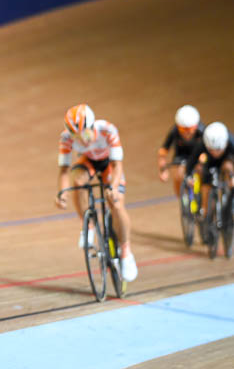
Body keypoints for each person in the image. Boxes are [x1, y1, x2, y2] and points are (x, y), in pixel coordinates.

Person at [54, 104, 138, 282]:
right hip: (88, 162)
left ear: (92, 126)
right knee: (77, 181)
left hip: (109, 164)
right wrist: (62, 192)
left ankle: (126, 252)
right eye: (77, 137)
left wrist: (113, 187)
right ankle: (88, 226)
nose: (82, 140)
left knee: (116, 203)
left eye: (84, 134)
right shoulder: (66, 138)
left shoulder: (108, 130)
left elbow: (117, 165)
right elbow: (64, 170)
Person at [185, 121, 234, 221]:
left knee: (228, 167)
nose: (215, 153)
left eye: (218, 150)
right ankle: (206, 211)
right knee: (205, 181)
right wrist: (189, 177)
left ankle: (229, 196)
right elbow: (191, 163)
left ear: (224, 144)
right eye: (212, 150)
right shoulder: (202, 144)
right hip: (209, 162)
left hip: (226, 159)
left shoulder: (231, 141)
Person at [157, 105, 205, 197]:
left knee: (202, 169)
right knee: (178, 175)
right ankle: (182, 199)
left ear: (196, 126)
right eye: (182, 129)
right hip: (181, 156)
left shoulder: (202, 131)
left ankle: (203, 194)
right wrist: (162, 170)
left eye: (190, 129)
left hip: (198, 155)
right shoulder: (174, 131)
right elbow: (163, 152)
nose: (186, 133)